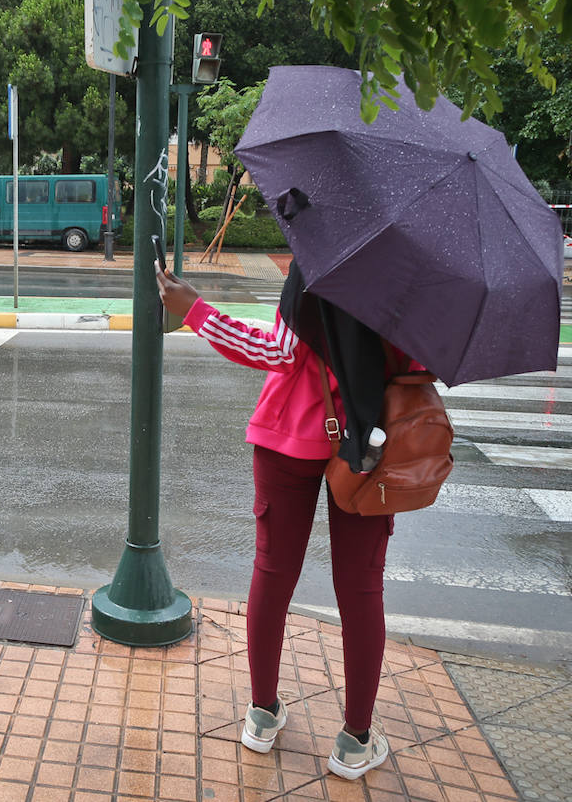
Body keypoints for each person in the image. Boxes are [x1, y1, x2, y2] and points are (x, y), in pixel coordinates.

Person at [156, 258, 394, 781]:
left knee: (272, 573)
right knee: (361, 589)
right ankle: (355, 742)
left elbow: (279, 351)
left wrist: (195, 310)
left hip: (289, 435)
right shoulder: (407, 274)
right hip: (367, 445)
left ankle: (263, 715)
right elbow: (417, 367)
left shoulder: (319, 258)